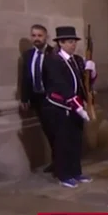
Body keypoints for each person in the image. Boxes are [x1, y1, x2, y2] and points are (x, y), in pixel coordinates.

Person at [43, 26, 97, 188]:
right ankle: (64, 175)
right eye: (69, 42)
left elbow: (84, 82)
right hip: (60, 107)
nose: (73, 45)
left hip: (76, 106)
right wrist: (76, 105)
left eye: (74, 42)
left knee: (75, 141)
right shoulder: (52, 60)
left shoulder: (77, 59)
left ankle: (76, 172)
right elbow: (60, 84)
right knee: (62, 142)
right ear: (60, 43)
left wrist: (91, 72)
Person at [20, 24, 55, 172]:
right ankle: (55, 162)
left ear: (46, 37)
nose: (36, 39)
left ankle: (60, 163)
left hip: (52, 100)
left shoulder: (54, 53)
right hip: (37, 99)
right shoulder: (28, 55)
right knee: (47, 131)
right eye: (33, 35)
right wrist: (24, 98)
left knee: (56, 133)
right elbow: (25, 78)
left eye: (39, 35)